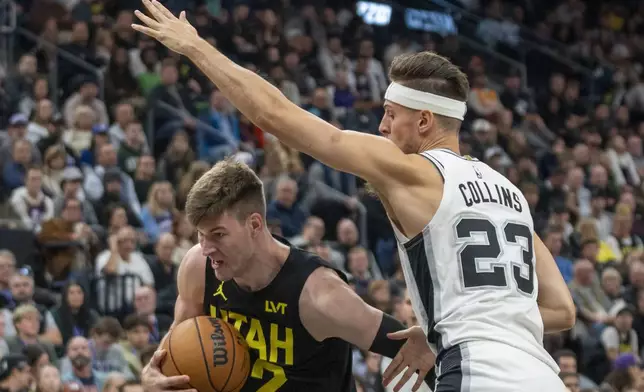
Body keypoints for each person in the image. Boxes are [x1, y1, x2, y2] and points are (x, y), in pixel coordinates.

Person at [132, 1, 576, 390]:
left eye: (390, 114)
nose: (382, 128)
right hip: (542, 375)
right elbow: (561, 309)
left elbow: (275, 114)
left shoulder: (413, 172)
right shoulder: (511, 196)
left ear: (423, 121)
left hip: (477, 374)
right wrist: (443, 327)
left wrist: (194, 47)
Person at [139, 160, 433, 392]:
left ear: (254, 224)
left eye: (218, 235)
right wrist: (152, 376)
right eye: (201, 235)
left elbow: (418, 351)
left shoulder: (319, 294)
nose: (207, 248)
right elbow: (172, 348)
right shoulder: (198, 267)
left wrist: (431, 345)